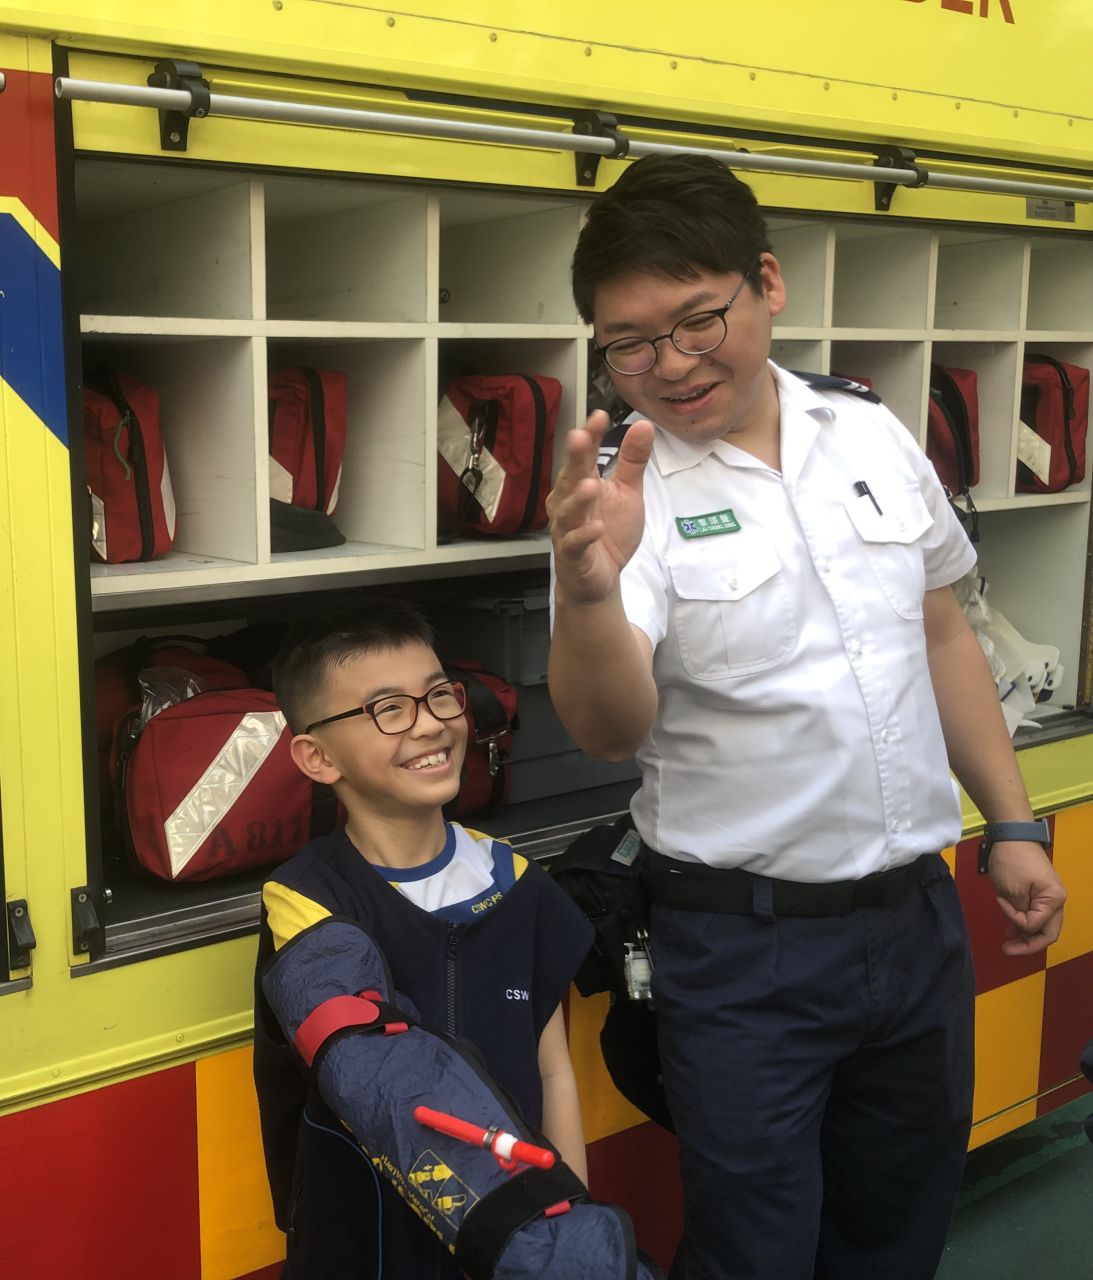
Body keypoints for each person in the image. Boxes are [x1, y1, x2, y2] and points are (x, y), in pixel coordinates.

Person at [546, 153, 1066, 1280]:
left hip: (916, 919)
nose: (668, 364)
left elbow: (939, 630)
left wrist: (1013, 821)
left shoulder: (868, 430)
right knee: (756, 1251)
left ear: (767, 284)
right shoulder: (624, 494)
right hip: (743, 950)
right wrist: (586, 594)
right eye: (627, 343)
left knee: (898, 1228)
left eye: (696, 320)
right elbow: (606, 728)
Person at [252, 601, 592, 1279]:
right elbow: (379, 1081)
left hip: (511, 1243)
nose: (431, 722)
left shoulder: (516, 882)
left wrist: (572, 1232)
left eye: (439, 694)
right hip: (364, 1247)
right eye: (389, 709)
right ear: (317, 757)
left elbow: (553, 1071)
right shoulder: (306, 904)